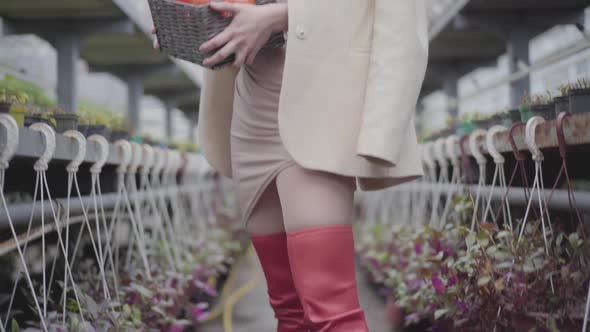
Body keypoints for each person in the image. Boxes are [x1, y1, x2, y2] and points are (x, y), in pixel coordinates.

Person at [196, 0, 428, 330]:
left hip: (321, 107)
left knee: (331, 308)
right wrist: (196, 27)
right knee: (288, 310)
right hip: (250, 115)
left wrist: (280, 16)